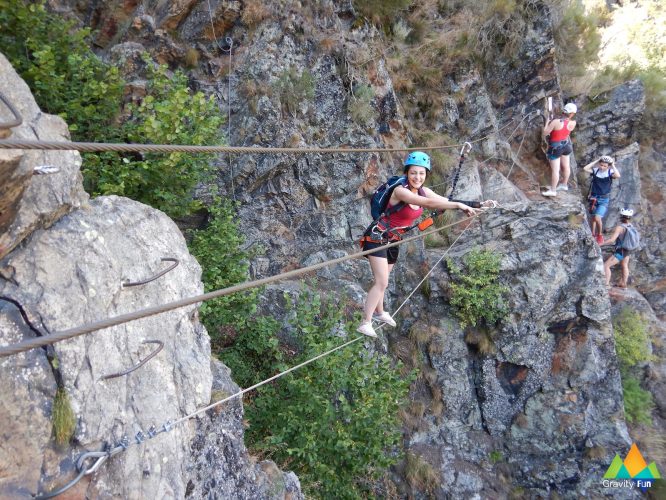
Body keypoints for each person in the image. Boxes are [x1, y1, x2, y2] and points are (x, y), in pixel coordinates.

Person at [357, 151, 489, 338]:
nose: (417, 177)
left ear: (426, 174)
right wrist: (459, 207)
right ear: (407, 173)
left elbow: (445, 201)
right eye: (413, 173)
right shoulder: (401, 191)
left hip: (394, 238)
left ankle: (380, 312)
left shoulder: (423, 190)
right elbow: (427, 203)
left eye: (421, 173)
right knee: (382, 281)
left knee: (385, 279)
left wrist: (476, 204)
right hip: (377, 237)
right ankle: (365, 322)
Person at [542, 102, 577, 197]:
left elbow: (545, 133)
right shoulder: (573, 123)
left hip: (555, 148)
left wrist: (547, 123)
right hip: (567, 146)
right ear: (572, 113)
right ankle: (564, 184)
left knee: (555, 170)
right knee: (566, 166)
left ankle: (553, 190)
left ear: (564, 111)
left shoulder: (556, 122)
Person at [583, 155, 621, 244]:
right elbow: (585, 168)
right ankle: (593, 234)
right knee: (593, 218)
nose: (602, 167)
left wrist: (613, 165)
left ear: (608, 166)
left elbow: (618, 175)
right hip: (593, 197)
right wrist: (596, 160)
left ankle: (599, 235)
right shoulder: (596, 171)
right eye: (601, 165)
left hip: (604, 199)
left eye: (605, 166)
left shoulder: (609, 172)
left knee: (597, 217)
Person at [602, 208, 639, 288]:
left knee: (606, 266)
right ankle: (624, 284)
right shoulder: (630, 226)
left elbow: (612, 240)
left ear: (621, 217)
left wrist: (601, 244)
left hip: (620, 251)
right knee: (624, 265)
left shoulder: (620, 227)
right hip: (627, 250)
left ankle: (606, 284)